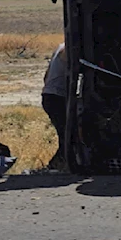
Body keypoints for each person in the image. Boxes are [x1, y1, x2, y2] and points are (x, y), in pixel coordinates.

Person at [42, 42, 68, 170]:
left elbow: (45, 77)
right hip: (57, 97)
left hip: (49, 94)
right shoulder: (69, 49)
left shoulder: (59, 47)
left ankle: (59, 164)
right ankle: (55, 165)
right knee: (67, 134)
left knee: (65, 133)